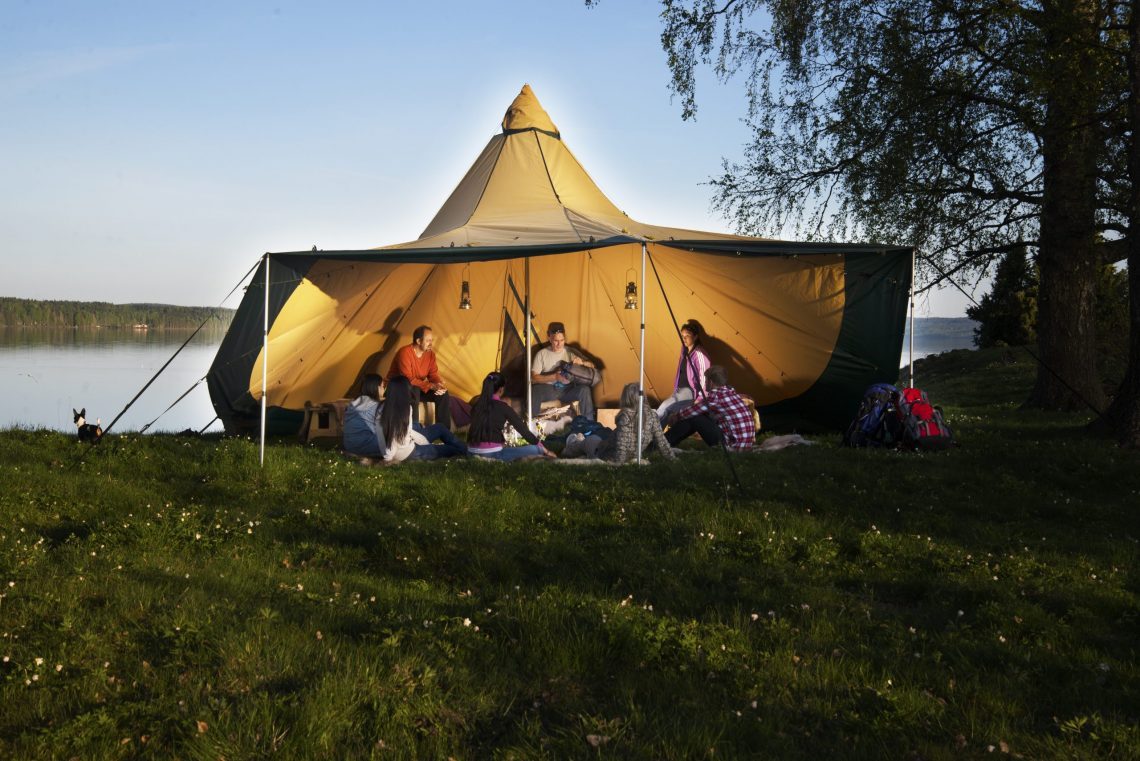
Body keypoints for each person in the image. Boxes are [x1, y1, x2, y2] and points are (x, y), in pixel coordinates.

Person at [565, 382, 677, 464]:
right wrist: (672, 459)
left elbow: (622, 443)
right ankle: (577, 440)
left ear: (626, 398)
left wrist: (617, 463)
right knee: (595, 439)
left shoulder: (626, 416)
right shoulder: (652, 416)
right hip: (625, 452)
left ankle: (573, 442)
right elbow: (661, 441)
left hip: (604, 453)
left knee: (590, 441)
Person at [467, 371, 556, 461]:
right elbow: (523, 430)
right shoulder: (503, 407)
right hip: (492, 454)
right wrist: (546, 451)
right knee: (534, 449)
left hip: (470, 452)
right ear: (501, 389)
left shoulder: (476, 405)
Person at [664, 365, 756, 451]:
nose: (705, 383)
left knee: (695, 418)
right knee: (699, 415)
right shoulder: (730, 393)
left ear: (711, 382)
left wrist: (676, 416)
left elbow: (693, 410)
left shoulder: (716, 396)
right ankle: (665, 443)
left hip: (732, 447)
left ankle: (661, 444)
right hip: (744, 445)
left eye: (706, 380)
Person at [380, 376, 466, 463]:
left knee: (440, 428)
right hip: (409, 453)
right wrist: (388, 459)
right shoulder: (404, 410)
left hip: (405, 446)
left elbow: (404, 433)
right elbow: (394, 438)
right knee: (452, 450)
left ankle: (465, 448)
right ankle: (467, 450)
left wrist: (425, 442)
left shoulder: (382, 407)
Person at [386, 325, 450, 428]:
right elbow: (407, 379)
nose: (431, 343)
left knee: (443, 394)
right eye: (428, 340)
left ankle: (444, 431)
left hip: (418, 388)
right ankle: (415, 428)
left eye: (431, 340)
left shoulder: (430, 355)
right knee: (414, 390)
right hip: (399, 388)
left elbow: (433, 374)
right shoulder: (405, 352)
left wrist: (438, 385)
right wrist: (430, 386)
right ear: (418, 341)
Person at [530, 321, 596, 420]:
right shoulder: (542, 354)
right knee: (535, 390)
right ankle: (532, 423)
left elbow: (592, 366)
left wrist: (582, 363)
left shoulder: (570, 352)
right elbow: (534, 378)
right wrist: (554, 377)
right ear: (549, 338)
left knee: (584, 390)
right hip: (550, 389)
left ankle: (589, 423)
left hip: (568, 389)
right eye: (556, 340)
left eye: (562, 340)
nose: (559, 344)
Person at [657, 320, 711, 422]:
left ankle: (647, 436)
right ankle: (655, 436)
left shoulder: (700, 354)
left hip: (689, 391)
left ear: (695, 337)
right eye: (682, 336)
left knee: (663, 408)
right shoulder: (684, 350)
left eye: (688, 335)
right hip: (679, 390)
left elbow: (705, 378)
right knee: (668, 414)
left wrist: (699, 400)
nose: (684, 338)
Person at [342, 373, 386, 457]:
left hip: (349, 445)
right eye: (383, 386)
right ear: (377, 387)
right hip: (364, 446)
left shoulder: (356, 402)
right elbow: (384, 429)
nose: (384, 389)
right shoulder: (374, 406)